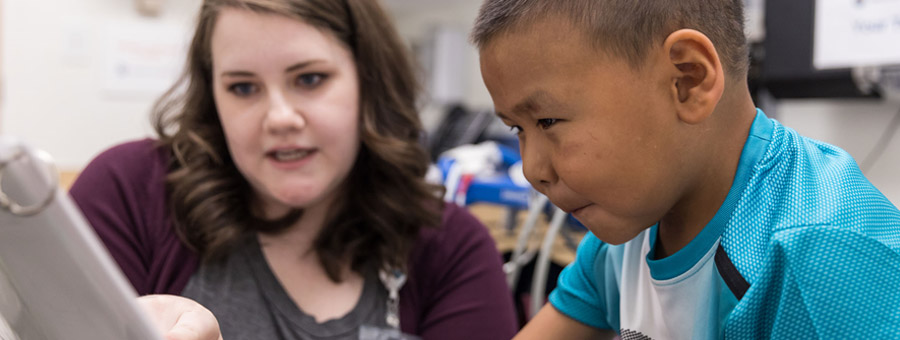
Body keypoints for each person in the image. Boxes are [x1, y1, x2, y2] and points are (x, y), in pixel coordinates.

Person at [69, 0, 517, 339]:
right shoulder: (129, 191)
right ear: (213, 98)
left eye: (309, 79)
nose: (279, 118)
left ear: (369, 82)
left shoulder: (453, 251)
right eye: (243, 87)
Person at [470, 0, 900, 339]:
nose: (531, 170)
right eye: (516, 129)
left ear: (687, 80)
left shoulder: (822, 261)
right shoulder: (625, 233)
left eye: (547, 121)